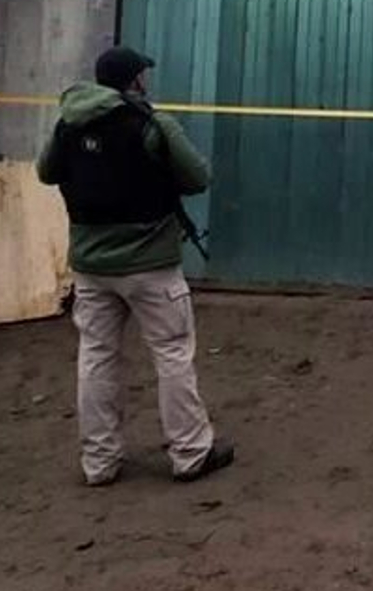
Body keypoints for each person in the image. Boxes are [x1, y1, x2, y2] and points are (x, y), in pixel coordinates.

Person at [37, 47, 234, 486]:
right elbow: (198, 178)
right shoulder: (152, 123)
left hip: (90, 265)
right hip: (151, 264)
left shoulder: (70, 121)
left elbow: (46, 173)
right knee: (173, 354)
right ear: (134, 80)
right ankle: (190, 453)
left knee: (96, 359)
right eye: (143, 73)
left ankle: (100, 463)